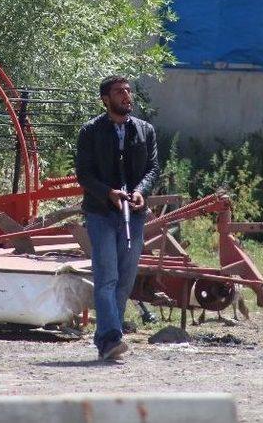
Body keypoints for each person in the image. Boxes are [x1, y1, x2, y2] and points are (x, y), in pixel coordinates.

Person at [76, 75, 159, 360]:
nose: (126, 96)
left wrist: (139, 192)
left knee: (125, 279)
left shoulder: (145, 130)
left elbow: (152, 169)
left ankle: (108, 339)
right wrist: (108, 193)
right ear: (106, 99)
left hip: (134, 215)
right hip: (101, 213)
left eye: (127, 91)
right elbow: (84, 174)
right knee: (107, 276)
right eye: (118, 92)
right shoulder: (90, 131)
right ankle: (111, 336)